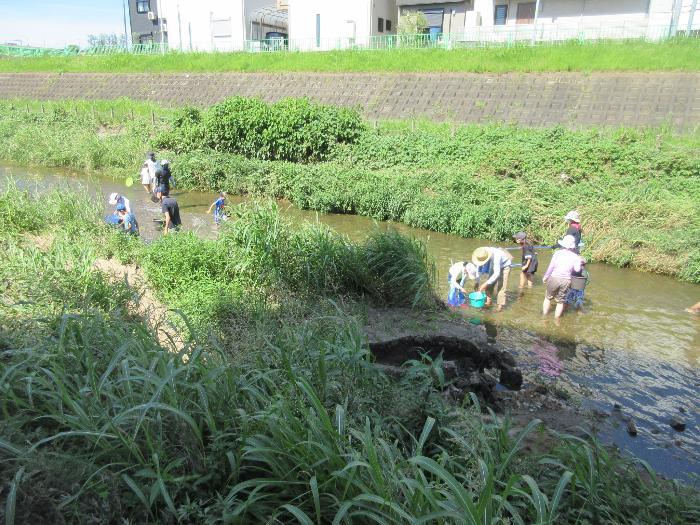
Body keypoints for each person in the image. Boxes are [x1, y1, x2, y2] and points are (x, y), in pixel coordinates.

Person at [542, 235, 583, 319]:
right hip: (566, 280)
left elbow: (551, 266)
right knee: (560, 302)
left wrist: (546, 276)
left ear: (563, 244)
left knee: (548, 298)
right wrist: (579, 261)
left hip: (554, 277)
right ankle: (556, 320)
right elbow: (577, 270)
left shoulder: (557, 253)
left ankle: (544, 316)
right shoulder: (576, 257)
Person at [472, 246, 513, 311]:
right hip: (493, 265)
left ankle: (500, 306)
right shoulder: (481, 254)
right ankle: (488, 302)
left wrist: (485, 283)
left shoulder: (497, 255)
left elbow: (497, 273)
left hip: (505, 266)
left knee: (501, 287)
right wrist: (477, 282)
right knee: (489, 285)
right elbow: (479, 271)